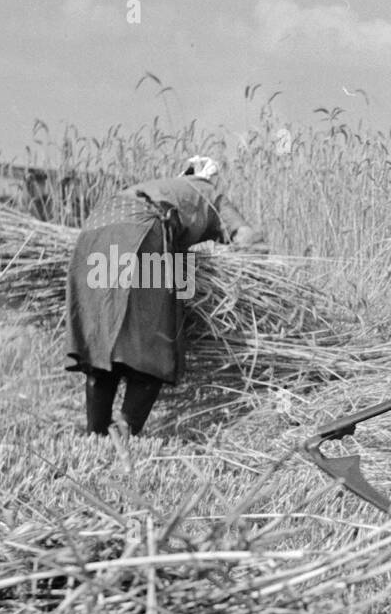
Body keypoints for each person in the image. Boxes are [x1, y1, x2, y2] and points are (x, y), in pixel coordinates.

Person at [65, 155, 253, 436]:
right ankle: (124, 433)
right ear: (208, 178)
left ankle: (96, 436)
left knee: (104, 340)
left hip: (94, 231)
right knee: (157, 342)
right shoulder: (210, 193)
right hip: (141, 231)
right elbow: (245, 236)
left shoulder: (164, 189)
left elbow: (179, 257)